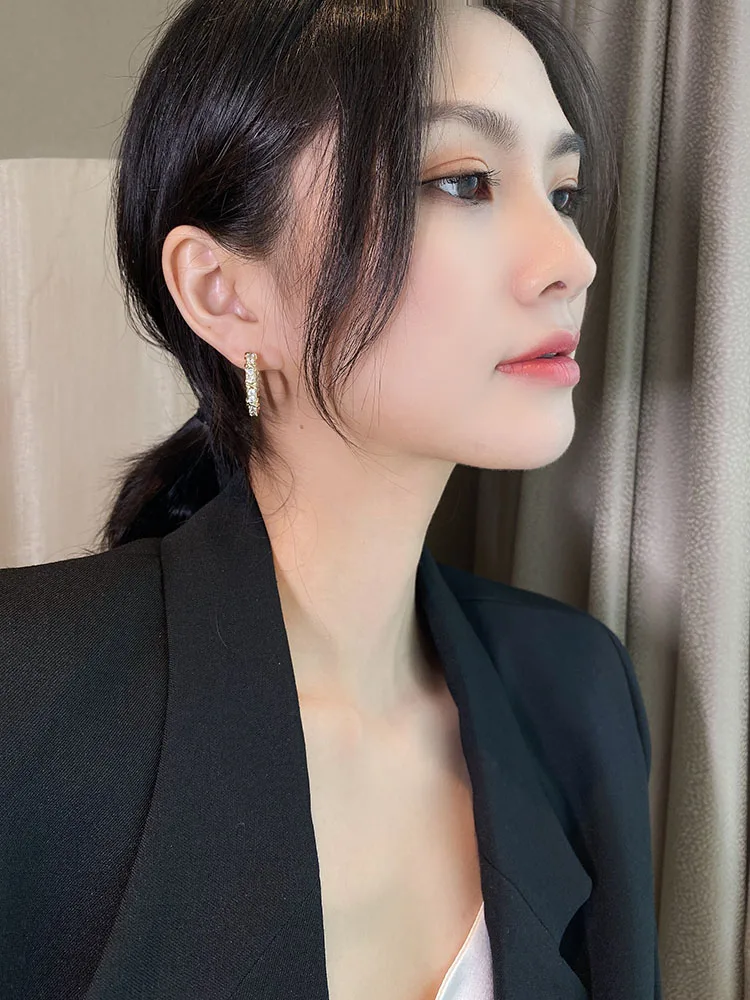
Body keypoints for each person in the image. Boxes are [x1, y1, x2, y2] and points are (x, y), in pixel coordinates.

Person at [0, 0, 661, 998]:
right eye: (464, 180)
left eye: (562, 192)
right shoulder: (29, 689)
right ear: (224, 293)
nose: (574, 261)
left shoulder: (578, 692)